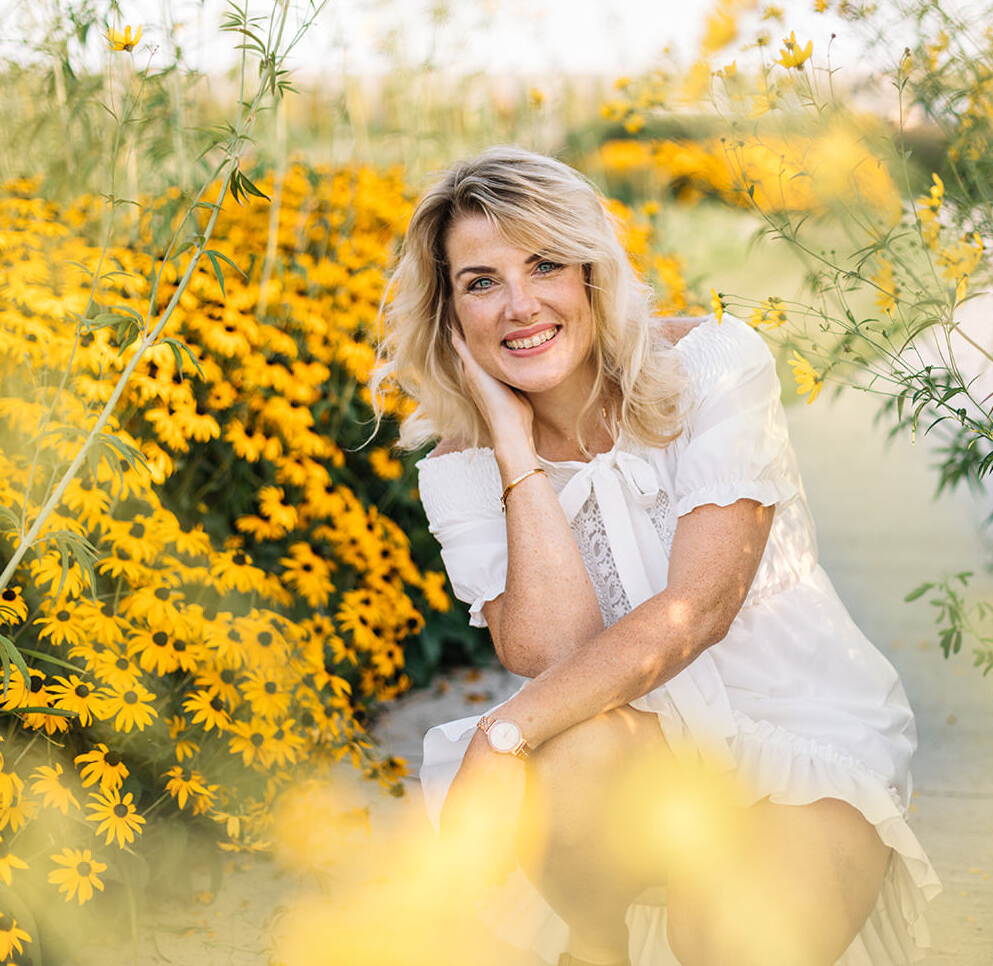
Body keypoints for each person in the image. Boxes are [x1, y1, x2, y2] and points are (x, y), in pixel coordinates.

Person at [372, 146, 940, 966]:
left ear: (593, 272)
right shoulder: (460, 467)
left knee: (727, 940)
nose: (520, 304)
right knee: (569, 746)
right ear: (451, 314)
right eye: (481, 282)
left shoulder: (713, 365)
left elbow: (696, 612)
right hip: (642, 744)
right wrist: (512, 445)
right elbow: (554, 651)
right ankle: (593, 944)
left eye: (545, 264)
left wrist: (499, 736)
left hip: (797, 731)